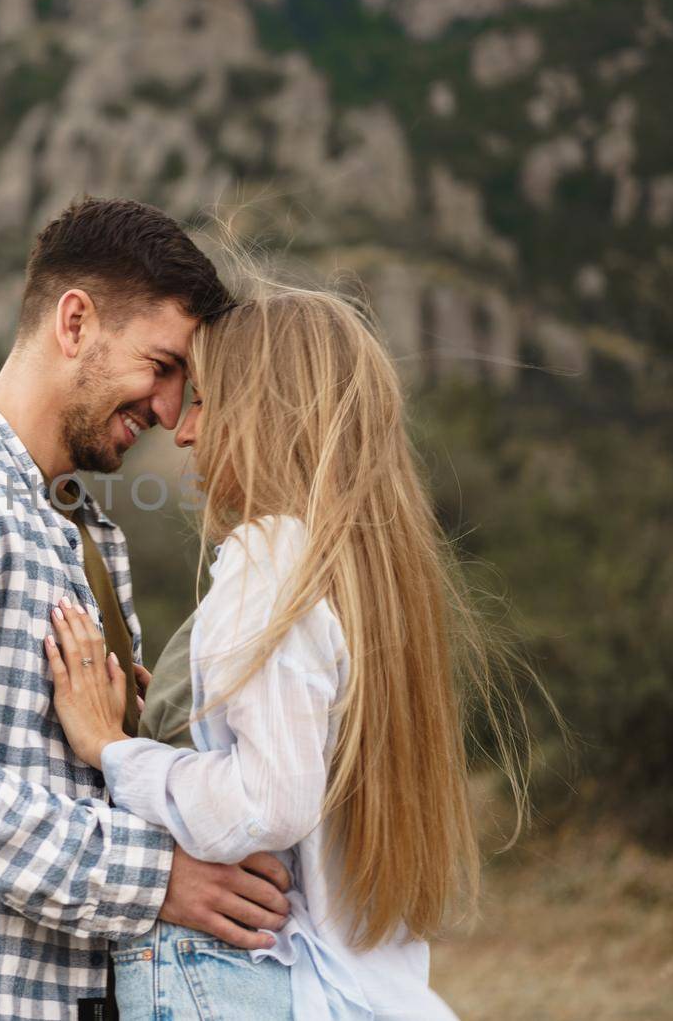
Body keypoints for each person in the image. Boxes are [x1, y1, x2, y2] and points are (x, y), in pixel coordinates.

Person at [0, 197, 297, 1021]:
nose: (171, 409)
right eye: (162, 364)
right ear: (75, 321)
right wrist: (154, 877)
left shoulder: (81, 528)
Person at [42, 270, 533, 1019]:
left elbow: (270, 800)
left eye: (204, 398)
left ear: (269, 412)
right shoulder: (369, 577)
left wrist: (113, 750)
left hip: (260, 987)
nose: (184, 430)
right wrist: (180, 718)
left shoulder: (271, 554)